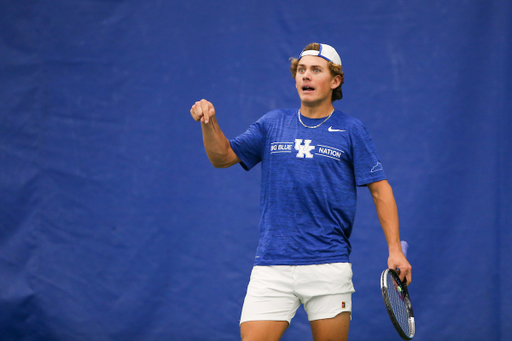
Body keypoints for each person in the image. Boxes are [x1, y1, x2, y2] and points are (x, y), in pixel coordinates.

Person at [190, 43, 411, 341]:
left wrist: (395, 249)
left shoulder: (351, 130)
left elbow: (380, 190)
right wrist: (209, 123)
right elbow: (222, 157)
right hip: (272, 266)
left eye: (315, 70)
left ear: (335, 81)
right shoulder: (272, 124)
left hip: (328, 265)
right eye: (301, 70)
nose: (305, 76)